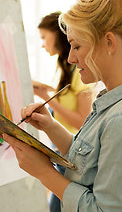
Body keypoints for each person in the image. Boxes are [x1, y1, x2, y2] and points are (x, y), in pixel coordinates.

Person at [3, 0, 122, 212]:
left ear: (109, 42)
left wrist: (43, 172)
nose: (70, 58)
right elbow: (89, 163)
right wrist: (51, 127)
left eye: (76, 46)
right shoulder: (116, 102)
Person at [34, 11, 93, 212]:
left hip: (72, 149)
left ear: (58, 35)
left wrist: (45, 98)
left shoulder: (80, 72)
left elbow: (81, 121)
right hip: (60, 147)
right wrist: (46, 89)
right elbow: (65, 96)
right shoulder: (63, 67)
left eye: (44, 37)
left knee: (57, 206)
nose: (42, 44)